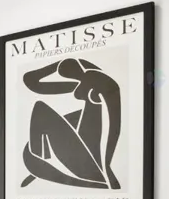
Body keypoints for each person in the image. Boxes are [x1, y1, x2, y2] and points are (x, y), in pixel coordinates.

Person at [19, 57, 122, 190]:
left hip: (86, 160)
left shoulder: (92, 78)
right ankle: (42, 164)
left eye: (65, 74)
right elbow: (32, 82)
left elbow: (33, 81)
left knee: (40, 109)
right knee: (70, 117)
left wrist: (57, 66)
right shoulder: (104, 83)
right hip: (90, 158)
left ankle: (41, 161)